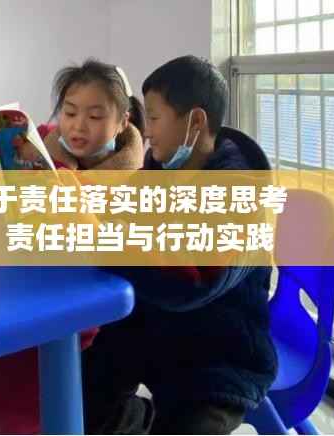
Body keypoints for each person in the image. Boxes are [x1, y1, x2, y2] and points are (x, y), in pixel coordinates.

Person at [0, 58, 145, 434]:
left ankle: (127, 417)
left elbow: (119, 250)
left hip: (69, 302)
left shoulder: (137, 181)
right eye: (70, 112)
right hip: (11, 278)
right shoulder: (41, 146)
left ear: (122, 121)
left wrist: (79, 215)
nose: (78, 126)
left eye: (95, 116)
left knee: (21, 402)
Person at [81, 55, 278, 434]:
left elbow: (192, 277)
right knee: (79, 398)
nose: (146, 132)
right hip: (155, 329)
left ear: (195, 122)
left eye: (154, 118)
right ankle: (144, 419)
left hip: (221, 355)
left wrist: (102, 238)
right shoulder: (163, 168)